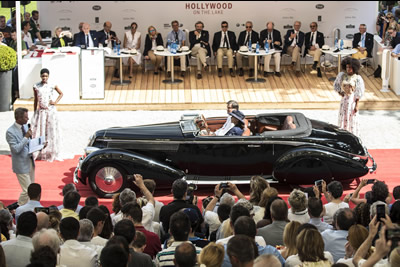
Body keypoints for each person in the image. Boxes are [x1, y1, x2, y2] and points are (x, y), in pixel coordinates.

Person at [31, 68, 63, 161]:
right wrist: (34, 111)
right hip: (41, 112)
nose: (44, 77)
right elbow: (36, 99)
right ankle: (41, 151)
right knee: (41, 131)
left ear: (48, 76)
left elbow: (61, 93)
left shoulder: (52, 85)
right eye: (43, 76)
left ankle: (52, 151)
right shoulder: (36, 86)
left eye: (46, 76)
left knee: (51, 131)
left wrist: (55, 102)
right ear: (40, 76)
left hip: (50, 111)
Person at [6, 108, 36, 205]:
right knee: (27, 190)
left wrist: (39, 145)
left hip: (30, 162)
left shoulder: (25, 127)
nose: (28, 119)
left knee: (31, 189)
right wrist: (26, 137)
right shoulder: (10, 132)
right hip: (21, 164)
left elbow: (29, 144)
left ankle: (28, 208)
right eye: (25, 117)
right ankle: (19, 207)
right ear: (18, 118)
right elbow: (16, 149)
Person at [333, 57, 365, 136]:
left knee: (351, 117)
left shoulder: (357, 78)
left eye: (350, 67)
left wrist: (357, 105)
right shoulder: (342, 75)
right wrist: (340, 93)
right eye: (347, 67)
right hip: (344, 100)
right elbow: (336, 85)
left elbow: (359, 92)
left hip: (352, 101)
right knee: (343, 116)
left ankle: (352, 134)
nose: (348, 69)